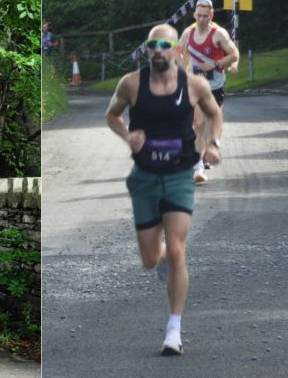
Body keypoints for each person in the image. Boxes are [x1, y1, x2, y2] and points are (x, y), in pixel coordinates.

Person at [105, 23, 223, 356]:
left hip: (179, 175)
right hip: (144, 178)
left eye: (164, 45)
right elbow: (112, 115)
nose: (157, 50)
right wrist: (127, 134)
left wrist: (212, 143)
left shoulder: (195, 85)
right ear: (146, 50)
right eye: (152, 45)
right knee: (150, 258)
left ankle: (174, 328)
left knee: (176, 248)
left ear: (177, 51)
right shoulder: (131, 84)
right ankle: (161, 267)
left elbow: (214, 114)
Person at [178, 0, 239, 184]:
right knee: (197, 124)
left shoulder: (218, 34)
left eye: (205, 16)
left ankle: (205, 153)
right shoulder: (188, 33)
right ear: (194, 14)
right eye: (199, 15)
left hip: (215, 86)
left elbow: (234, 54)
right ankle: (198, 167)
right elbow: (179, 52)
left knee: (210, 124)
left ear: (211, 14)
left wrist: (216, 64)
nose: (202, 19)